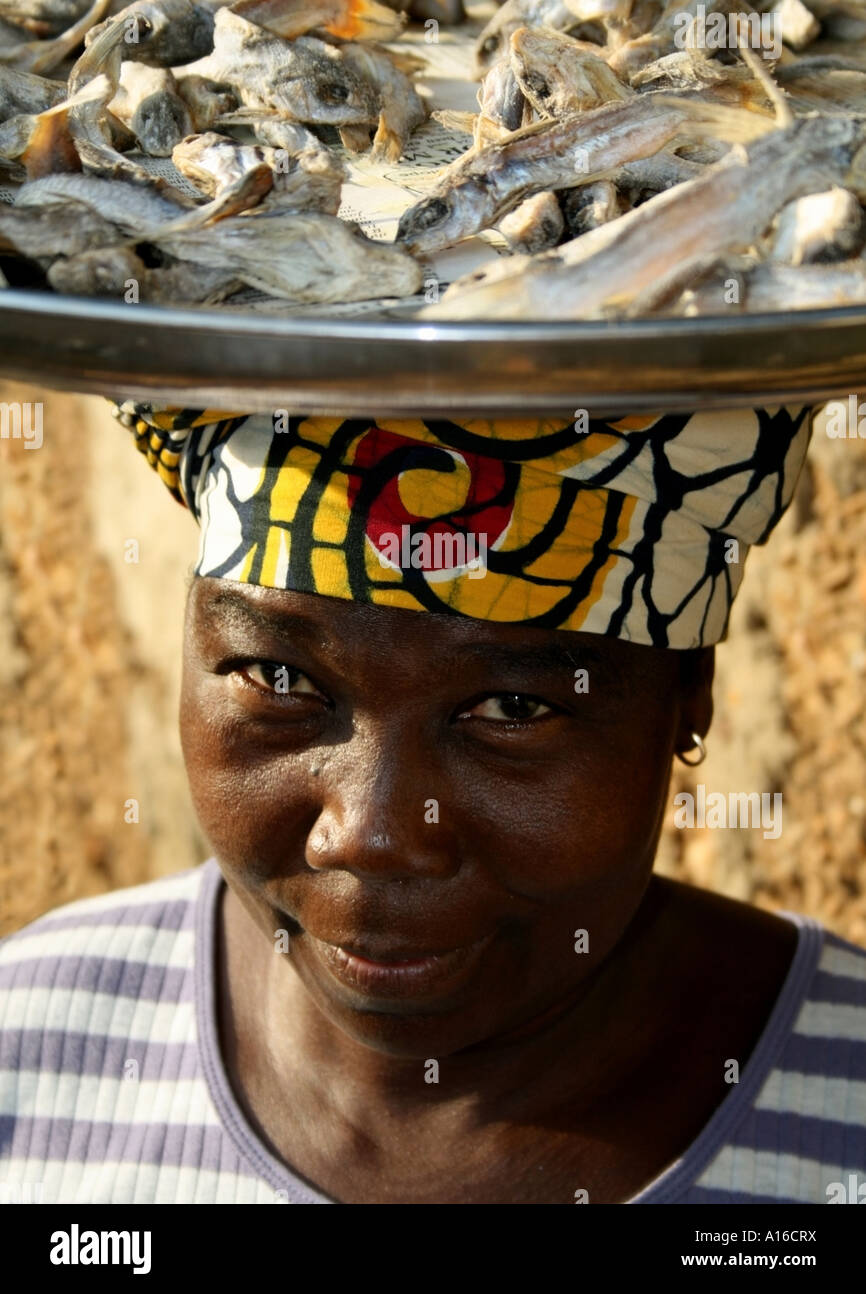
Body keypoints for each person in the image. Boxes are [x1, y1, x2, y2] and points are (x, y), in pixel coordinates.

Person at [0, 405, 864, 1205]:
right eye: (282, 679)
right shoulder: (29, 1049)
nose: (372, 838)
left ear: (690, 697)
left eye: (512, 710)